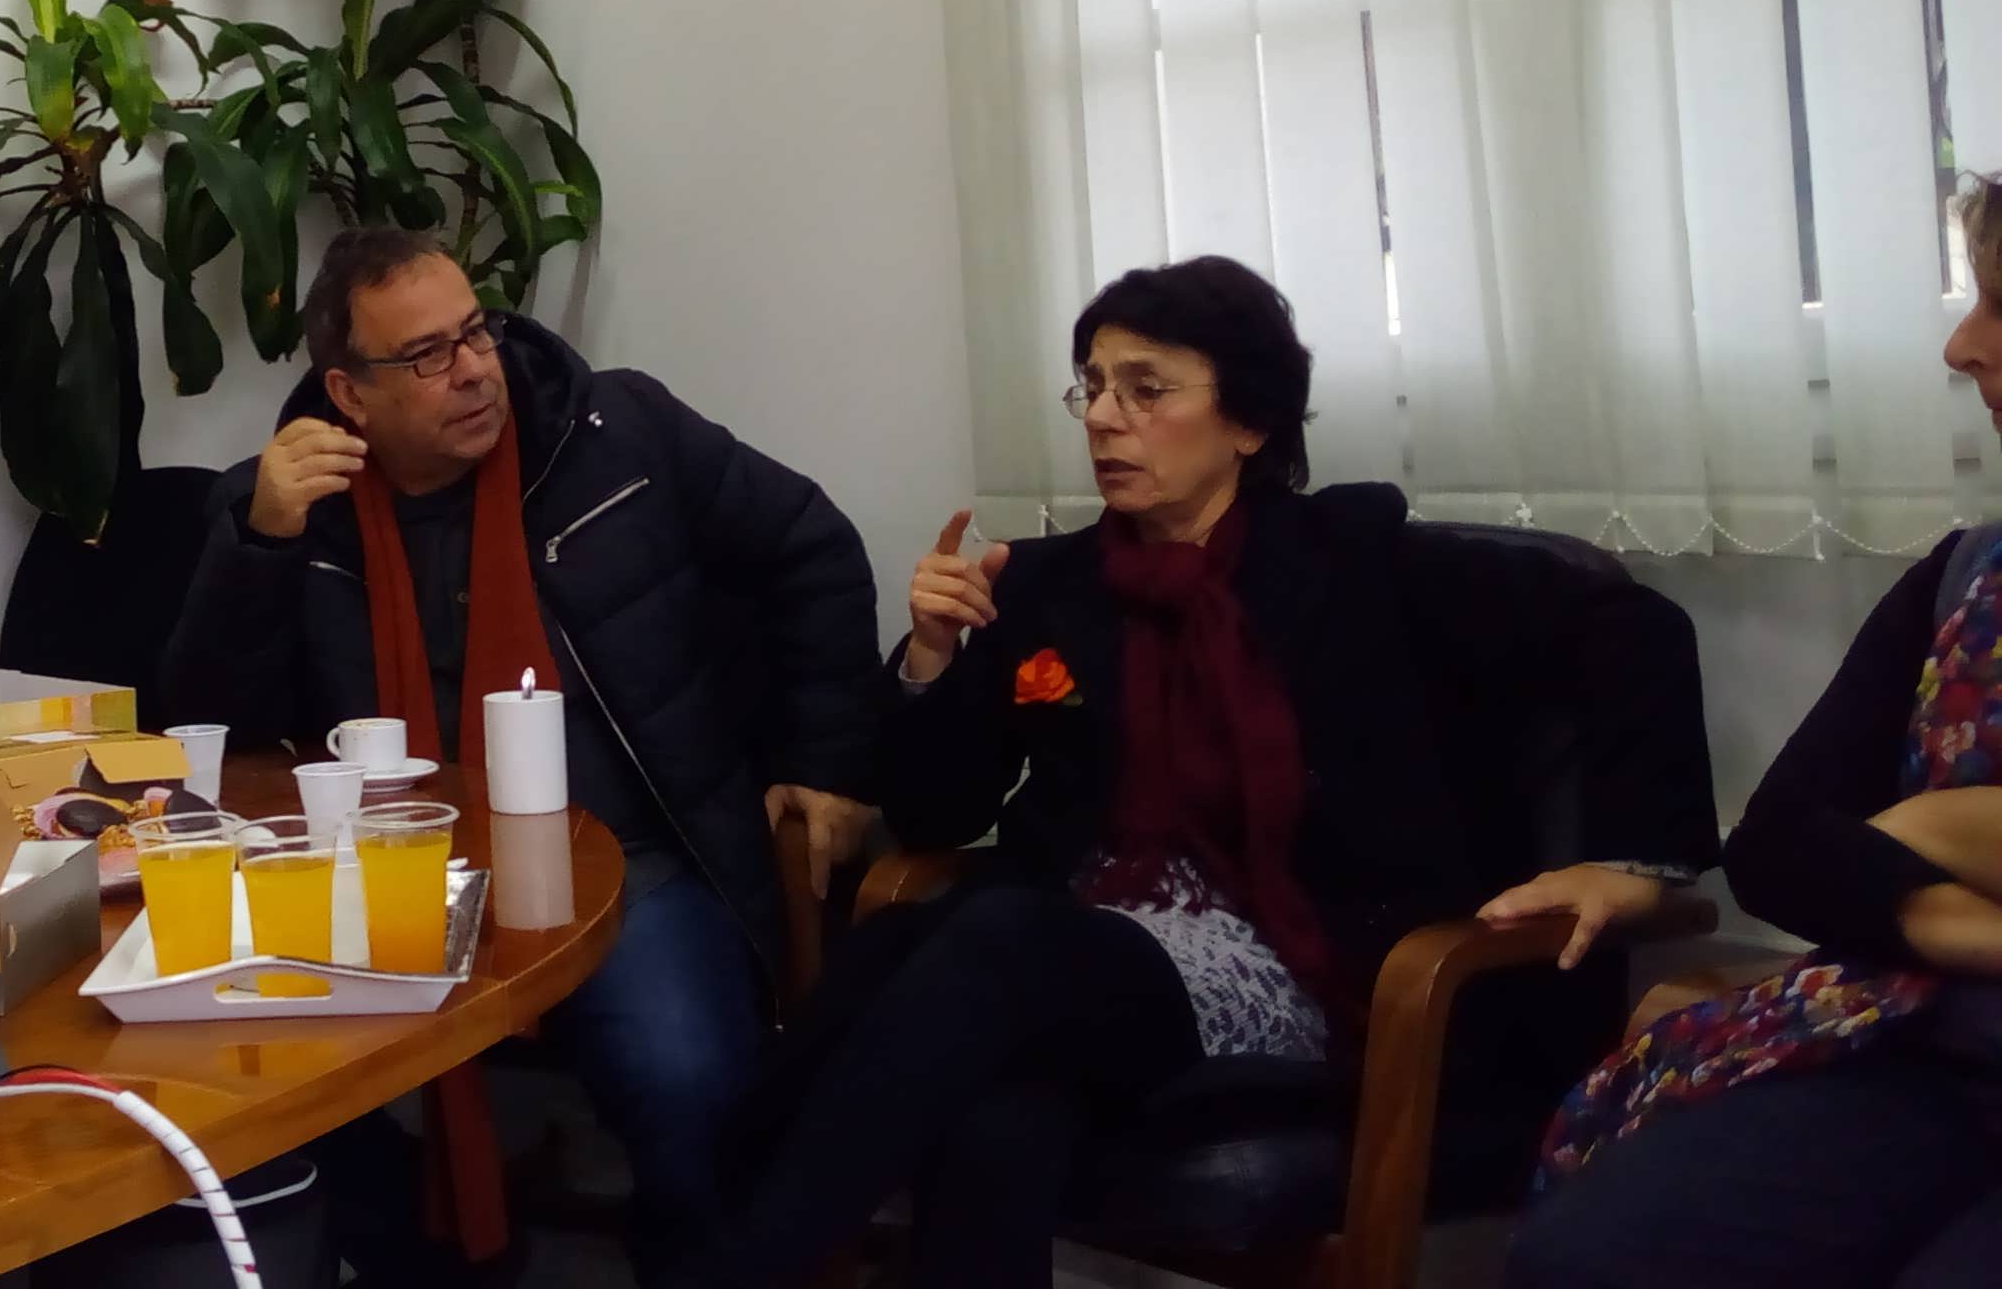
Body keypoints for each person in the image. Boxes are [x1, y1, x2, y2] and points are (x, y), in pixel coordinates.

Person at [693, 256, 1720, 1289]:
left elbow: (1632, 630)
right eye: (1093, 387)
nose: (1104, 418)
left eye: (1146, 389)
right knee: (989, 1091)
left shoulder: (1357, 559)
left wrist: (1632, 864)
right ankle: (742, 1246)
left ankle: (735, 1256)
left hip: (1303, 962)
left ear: (1249, 423)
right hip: (1084, 958)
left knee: (993, 940)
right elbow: (932, 815)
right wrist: (930, 657)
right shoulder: (1047, 584)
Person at [158, 227, 886, 1270]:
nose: (472, 370)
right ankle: (440, 1265)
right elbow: (211, 735)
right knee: (250, 1085)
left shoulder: (618, 433)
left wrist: (827, 764)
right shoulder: (287, 506)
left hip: (630, 860)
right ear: (350, 395)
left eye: (476, 332)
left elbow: (811, 547)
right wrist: (260, 545)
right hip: (390, 877)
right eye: (426, 355)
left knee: (686, 1082)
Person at [1509, 175, 2002, 1289]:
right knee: (1591, 1258)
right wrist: (1960, 905)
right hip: (1919, 1041)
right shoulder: (1963, 578)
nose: (1959, 346)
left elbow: (1845, 844)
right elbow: (1778, 845)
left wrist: (1917, 831)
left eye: (2001, 306)